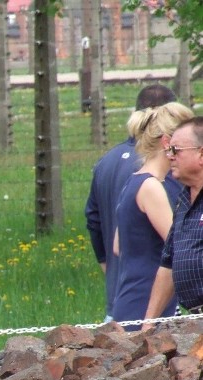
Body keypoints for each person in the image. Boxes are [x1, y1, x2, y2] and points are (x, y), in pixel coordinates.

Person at [85, 84, 177, 322]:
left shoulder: (106, 162)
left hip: (121, 294)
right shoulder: (160, 176)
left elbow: (95, 222)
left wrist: (112, 269)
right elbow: (177, 245)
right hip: (154, 304)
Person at [111, 102, 194, 330]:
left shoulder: (134, 181)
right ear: (168, 142)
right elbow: (180, 248)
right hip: (147, 303)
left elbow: (118, 245)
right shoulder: (151, 187)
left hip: (130, 297)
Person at [143, 117, 203, 329]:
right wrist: (148, 324)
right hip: (192, 319)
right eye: (168, 150)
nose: (169, 157)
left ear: (201, 154)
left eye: (175, 150)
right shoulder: (183, 200)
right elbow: (169, 263)